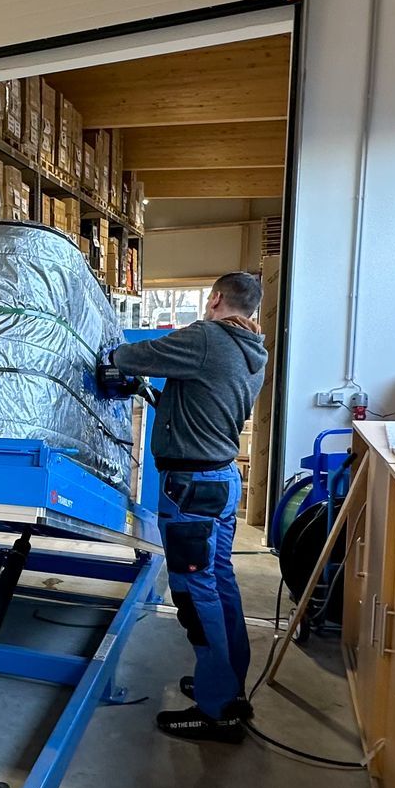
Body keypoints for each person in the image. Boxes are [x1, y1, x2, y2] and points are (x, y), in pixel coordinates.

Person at [99, 271, 269, 744]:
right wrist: (151, 392)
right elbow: (199, 405)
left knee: (195, 594)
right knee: (220, 582)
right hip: (221, 480)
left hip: (191, 489)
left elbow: (129, 355)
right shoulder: (252, 350)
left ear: (215, 299)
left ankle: (216, 710)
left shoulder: (206, 338)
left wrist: (114, 359)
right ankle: (228, 684)